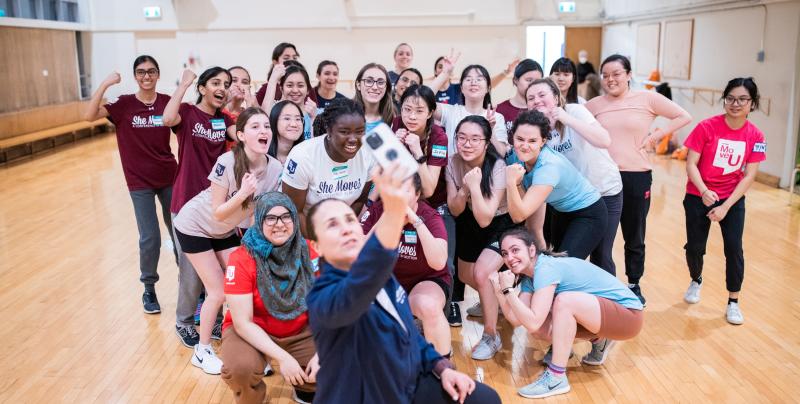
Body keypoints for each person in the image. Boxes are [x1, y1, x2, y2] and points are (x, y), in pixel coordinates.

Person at [306, 163, 501, 404]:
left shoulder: (384, 276)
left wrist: (443, 368)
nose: (346, 228)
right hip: (366, 394)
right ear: (317, 246)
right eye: (332, 224)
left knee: (485, 399)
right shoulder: (322, 294)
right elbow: (358, 289)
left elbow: (408, 334)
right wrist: (394, 213)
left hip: (407, 382)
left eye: (349, 219)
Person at [173, 107, 283, 374]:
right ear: (242, 135)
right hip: (195, 225)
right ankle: (202, 350)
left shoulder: (275, 167)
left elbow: (262, 210)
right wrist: (244, 191)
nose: (263, 131)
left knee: (243, 286)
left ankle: (250, 346)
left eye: (266, 126)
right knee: (219, 291)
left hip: (225, 231)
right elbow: (218, 211)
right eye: (255, 127)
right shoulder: (227, 161)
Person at [585, 54, 692, 305]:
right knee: (601, 237)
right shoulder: (594, 105)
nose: (610, 79)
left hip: (636, 176)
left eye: (616, 74)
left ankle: (633, 284)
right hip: (603, 178)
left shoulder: (647, 98)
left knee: (634, 235)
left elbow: (683, 116)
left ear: (629, 75)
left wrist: (658, 134)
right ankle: (601, 285)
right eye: (606, 75)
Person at [490, 228, 643, 399]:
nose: (509, 258)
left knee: (564, 301)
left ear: (532, 250)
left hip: (629, 316)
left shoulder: (545, 268)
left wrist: (508, 290)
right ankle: (600, 339)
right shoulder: (530, 278)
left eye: (515, 250)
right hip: (606, 317)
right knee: (539, 328)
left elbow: (531, 320)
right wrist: (499, 291)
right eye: (505, 253)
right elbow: (518, 320)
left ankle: (556, 377)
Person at [83, 55, 178, 314]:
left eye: (151, 72)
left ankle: (190, 283)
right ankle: (149, 288)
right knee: (150, 238)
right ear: (135, 76)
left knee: (180, 232)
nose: (146, 76)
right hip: (139, 182)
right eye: (141, 72)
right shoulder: (124, 105)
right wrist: (105, 84)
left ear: (158, 74)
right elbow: (89, 115)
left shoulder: (167, 103)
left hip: (169, 177)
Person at [162, 67, 238, 348]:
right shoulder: (188, 113)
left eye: (226, 84)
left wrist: (246, 103)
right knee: (191, 271)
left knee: (218, 272)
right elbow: (168, 118)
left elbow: (242, 136)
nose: (222, 87)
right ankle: (183, 321)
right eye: (216, 82)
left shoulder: (224, 119)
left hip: (214, 204)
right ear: (203, 88)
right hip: (185, 204)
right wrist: (183, 85)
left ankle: (214, 321)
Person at [682, 77, 766, 325]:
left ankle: (733, 301)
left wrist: (726, 206)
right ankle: (696, 279)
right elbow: (690, 164)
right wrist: (705, 191)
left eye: (742, 99)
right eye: (730, 98)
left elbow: (750, 175)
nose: (735, 103)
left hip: (732, 198)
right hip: (699, 194)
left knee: (734, 248)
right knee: (695, 248)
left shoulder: (756, 135)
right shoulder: (706, 127)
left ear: (752, 103)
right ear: (724, 100)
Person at [220, 192, 318, 404]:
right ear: (259, 221)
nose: (279, 224)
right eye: (270, 218)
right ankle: (253, 398)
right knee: (241, 369)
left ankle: (305, 389)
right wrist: (283, 358)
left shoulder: (310, 252)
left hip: (300, 329)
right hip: (252, 330)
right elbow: (242, 323)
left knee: (334, 360)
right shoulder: (241, 259)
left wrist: (325, 352)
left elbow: (332, 305)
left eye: (286, 216)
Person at [527, 78, 622, 275]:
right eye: (530, 98)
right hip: (569, 200)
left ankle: (612, 303)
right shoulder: (536, 130)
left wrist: (566, 118)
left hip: (604, 191)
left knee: (601, 256)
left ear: (555, 97)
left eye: (542, 95)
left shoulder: (574, 111)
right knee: (563, 255)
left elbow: (604, 140)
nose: (536, 100)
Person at [446, 116, 519, 360]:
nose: (467, 144)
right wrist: (465, 188)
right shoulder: (453, 163)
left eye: (475, 139)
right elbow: (455, 209)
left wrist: (474, 185)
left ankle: (491, 335)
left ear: (486, 143)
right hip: (468, 221)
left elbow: (486, 217)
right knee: (467, 275)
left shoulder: (497, 166)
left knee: (481, 274)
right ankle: (497, 298)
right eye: (462, 138)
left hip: (500, 224)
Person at [391, 84, 460, 326]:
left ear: (430, 112)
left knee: (445, 261)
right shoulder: (395, 125)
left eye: (419, 111)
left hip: (435, 205)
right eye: (407, 109)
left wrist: (415, 149)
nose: (411, 116)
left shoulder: (439, 136)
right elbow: (387, 170)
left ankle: (445, 303)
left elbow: (429, 188)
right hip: (403, 202)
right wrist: (395, 147)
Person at [360, 174, 451, 356]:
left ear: (417, 195)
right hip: (385, 282)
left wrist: (416, 221)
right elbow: (357, 257)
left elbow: (439, 262)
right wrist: (385, 220)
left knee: (427, 305)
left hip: (426, 280)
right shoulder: (376, 212)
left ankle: (442, 368)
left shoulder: (430, 216)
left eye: (405, 189)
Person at [505, 110, 608, 261]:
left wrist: (510, 182)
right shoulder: (515, 156)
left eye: (532, 141)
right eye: (520, 139)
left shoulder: (549, 167)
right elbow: (523, 203)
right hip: (561, 211)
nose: (525, 146)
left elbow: (518, 215)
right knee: (555, 263)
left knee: (564, 267)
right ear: (512, 137)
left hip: (589, 213)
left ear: (543, 141)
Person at [283, 98, 374, 237]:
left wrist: (341, 233)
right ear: (329, 131)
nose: (353, 139)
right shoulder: (302, 156)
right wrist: (319, 245)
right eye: (344, 132)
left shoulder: (368, 154)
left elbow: (360, 200)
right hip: (303, 231)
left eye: (360, 131)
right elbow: (293, 211)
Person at [426, 51, 509, 157]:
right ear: (461, 88)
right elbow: (424, 101)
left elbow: (501, 153)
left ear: (488, 88)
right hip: (453, 172)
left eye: (479, 79)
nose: (473, 82)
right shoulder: (451, 111)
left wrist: (491, 130)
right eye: (468, 79)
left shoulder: (496, 118)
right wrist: (445, 73)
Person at [260, 63, 315, 140]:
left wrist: (313, 119)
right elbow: (263, 119)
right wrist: (273, 79)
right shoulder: (274, 111)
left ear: (308, 90)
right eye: (289, 85)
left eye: (300, 85)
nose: (295, 90)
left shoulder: (316, 114)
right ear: (281, 89)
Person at [496, 59, 544, 132]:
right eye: (529, 80)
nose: (533, 84)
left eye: (537, 81)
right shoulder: (500, 110)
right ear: (516, 80)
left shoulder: (542, 109)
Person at [353, 62, 395, 133]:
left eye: (380, 82)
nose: (375, 87)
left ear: (386, 87)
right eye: (369, 81)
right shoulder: (345, 116)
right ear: (358, 85)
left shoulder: (394, 119)